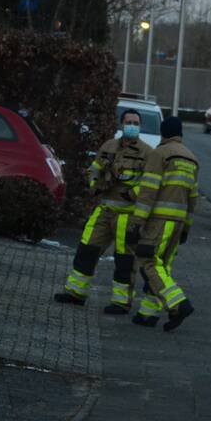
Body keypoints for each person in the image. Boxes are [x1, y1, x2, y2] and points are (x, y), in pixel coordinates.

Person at [55, 110, 154, 313]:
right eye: (129, 122)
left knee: (124, 261)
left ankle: (120, 302)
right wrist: (95, 185)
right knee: (86, 249)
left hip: (127, 216)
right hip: (104, 210)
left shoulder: (147, 153)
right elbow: (94, 169)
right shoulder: (108, 147)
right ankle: (76, 292)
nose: (132, 126)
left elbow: (150, 185)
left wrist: (132, 194)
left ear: (140, 126)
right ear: (122, 124)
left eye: (136, 123)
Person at [129, 116, 198, 331]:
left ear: (163, 133)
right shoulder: (192, 159)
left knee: (148, 261)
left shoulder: (160, 154)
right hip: (178, 223)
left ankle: (178, 304)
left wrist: (136, 223)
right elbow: (192, 200)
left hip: (159, 220)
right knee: (162, 267)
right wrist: (186, 227)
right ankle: (147, 313)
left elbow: (148, 191)